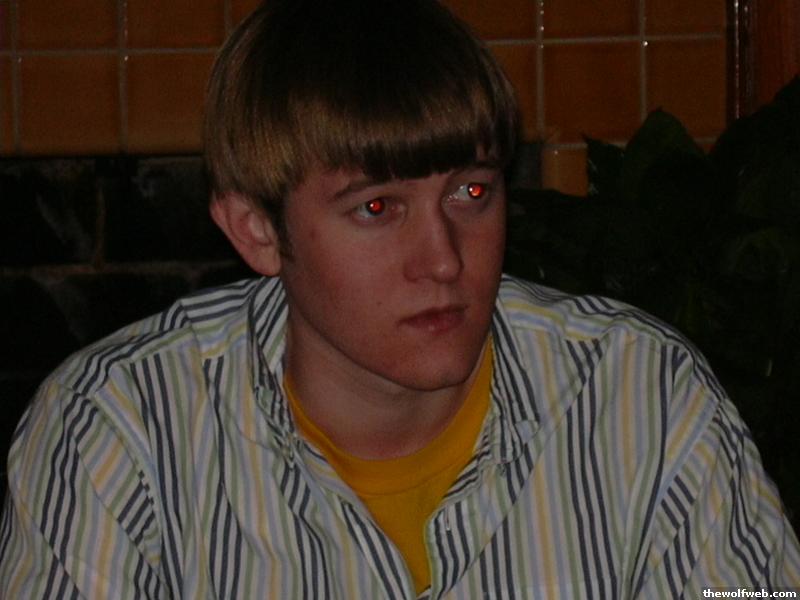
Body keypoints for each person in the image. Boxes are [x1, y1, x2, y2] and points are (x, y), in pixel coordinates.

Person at [1, 0, 799, 597]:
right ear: (257, 230)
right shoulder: (116, 432)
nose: (444, 259)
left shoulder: (643, 396)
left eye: (471, 192)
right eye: (377, 208)